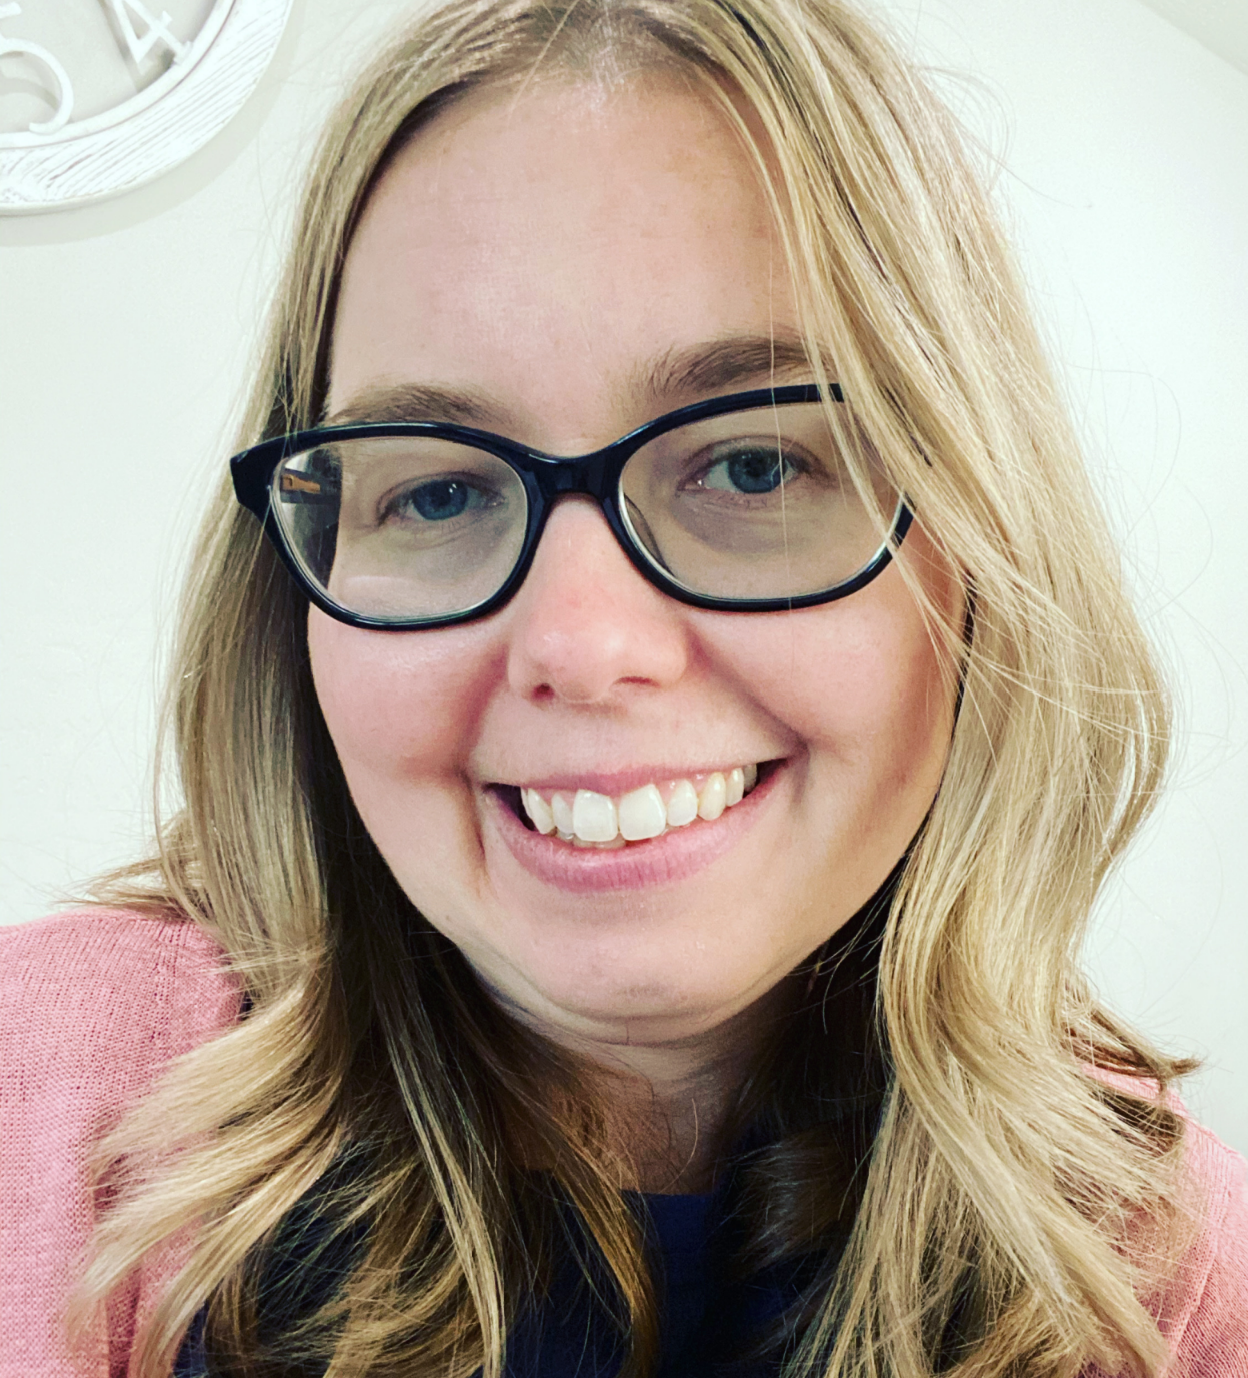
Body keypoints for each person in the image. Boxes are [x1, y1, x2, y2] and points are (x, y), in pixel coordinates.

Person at [2, 0, 1246, 1374]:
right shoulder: (38, 1099)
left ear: (984, 550)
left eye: (757, 464)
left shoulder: (1175, 1271)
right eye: (439, 487)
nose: (585, 647)